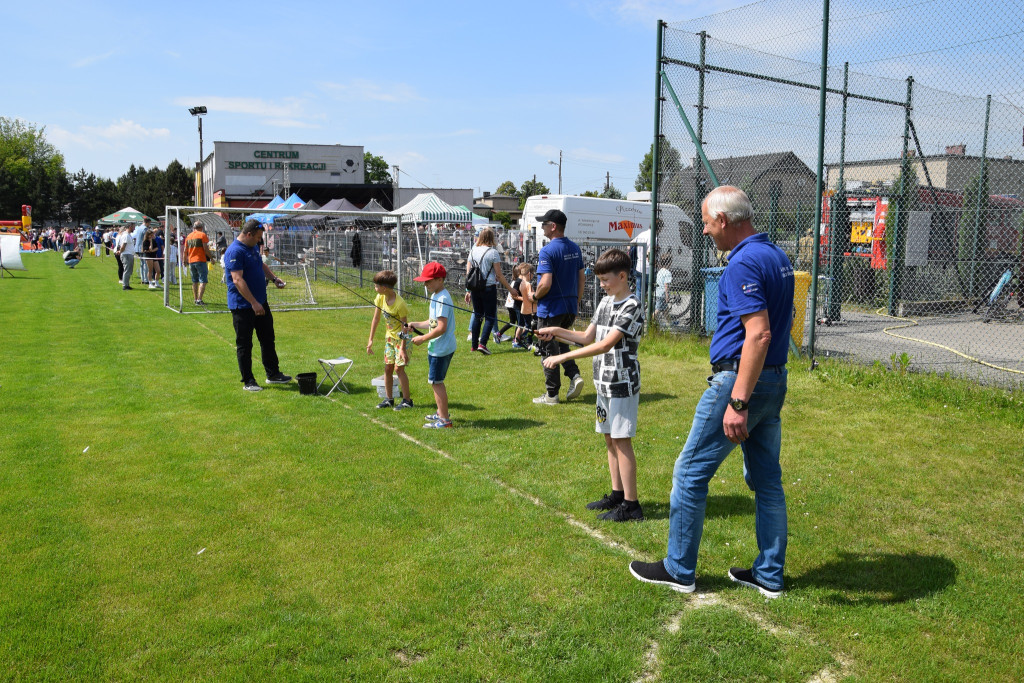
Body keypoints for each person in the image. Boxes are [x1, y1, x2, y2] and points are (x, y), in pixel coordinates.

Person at [629, 186, 795, 598]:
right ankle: (769, 574)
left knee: (689, 473)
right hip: (774, 379)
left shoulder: (743, 262)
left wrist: (738, 401)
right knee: (768, 481)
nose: (703, 232)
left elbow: (758, 334)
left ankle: (679, 569)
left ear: (722, 220)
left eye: (705, 223)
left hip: (741, 380)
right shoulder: (777, 256)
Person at [540, 248, 646, 522]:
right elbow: (587, 337)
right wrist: (556, 331)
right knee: (610, 439)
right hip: (603, 384)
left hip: (622, 384)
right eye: (599, 280)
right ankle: (617, 494)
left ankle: (632, 506)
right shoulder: (605, 303)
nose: (601, 285)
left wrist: (563, 355)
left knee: (622, 442)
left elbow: (605, 344)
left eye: (605, 280)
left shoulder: (632, 306)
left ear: (622, 276)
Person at [224, 220, 292, 392]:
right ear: (248, 234)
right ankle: (249, 380)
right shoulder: (235, 251)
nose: (259, 241)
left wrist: (274, 278)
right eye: (258, 238)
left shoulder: (252, 247)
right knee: (245, 344)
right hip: (243, 306)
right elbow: (237, 279)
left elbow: (260, 265)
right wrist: (253, 303)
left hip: (261, 302)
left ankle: (273, 374)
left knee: (268, 339)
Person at [531, 209, 585, 405]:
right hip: (570, 307)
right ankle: (575, 375)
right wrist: (576, 303)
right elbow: (581, 279)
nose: (542, 227)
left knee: (548, 350)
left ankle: (552, 395)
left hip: (550, 309)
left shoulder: (547, 250)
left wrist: (534, 296)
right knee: (562, 345)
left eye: (544, 224)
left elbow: (545, 283)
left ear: (553, 227)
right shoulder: (575, 248)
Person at [406, 262, 457, 429]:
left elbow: (441, 328)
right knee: (436, 381)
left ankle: (444, 420)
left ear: (440, 279)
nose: (425, 284)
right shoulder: (436, 295)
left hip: (441, 349)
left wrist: (423, 339)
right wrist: (416, 324)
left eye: (428, 281)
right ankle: (441, 411)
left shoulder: (442, 298)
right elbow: (433, 322)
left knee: (436, 382)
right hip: (438, 347)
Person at [464, 227, 518, 356]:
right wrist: (510, 289)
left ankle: (474, 346)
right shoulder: (493, 253)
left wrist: (468, 290)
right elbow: (499, 275)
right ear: (491, 238)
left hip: (475, 287)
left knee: (478, 315)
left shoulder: (473, 251)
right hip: (489, 287)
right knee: (489, 316)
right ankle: (483, 343)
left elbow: (468, 272)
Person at [366, 269, 413, 411]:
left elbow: (405, 327)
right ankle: (389, 399)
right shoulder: (380, 298)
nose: (375, 288)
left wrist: (403, 349)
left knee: (399, 369)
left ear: (384, 288)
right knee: (388, 368)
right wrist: (370, 340)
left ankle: (407, 400)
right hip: (389, 339)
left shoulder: (400, 304)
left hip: (402, 340)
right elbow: (376, 318)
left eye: (376, 286)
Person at [184, 220, 214, 305]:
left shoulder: (189, 236)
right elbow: (205, 248)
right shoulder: (202, 235)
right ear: (201, 227)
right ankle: (199, 300)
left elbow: (185, 250)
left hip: (191, 261)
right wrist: (211, 258)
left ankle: (195, 298)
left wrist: (184, 260)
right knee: (203, 280)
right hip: (200, 260)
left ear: (194, 227)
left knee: (194, 281)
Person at [515, 262, 537, 350]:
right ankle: (523, 338)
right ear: (529, 273)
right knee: (531, 326)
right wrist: (537, 298)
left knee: (528, 325)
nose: (533, 276)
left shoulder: (521, 283)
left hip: (524, 308)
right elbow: (530, 297)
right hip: (530, 309)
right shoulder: (528, 284)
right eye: (533, 274)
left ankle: (525, 339)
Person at [114, 224, 136, 290]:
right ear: (130, 227)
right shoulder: (126, 235)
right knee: (127, 270)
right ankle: (125, 285)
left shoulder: (128, 235)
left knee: (129, 270)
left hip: (129, 254)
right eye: (133, 227)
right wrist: (120, 251)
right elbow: (123, 246)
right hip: (126, 254)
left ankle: (126, 284)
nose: (134, 229)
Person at [133, 219, 151, 284]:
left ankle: (143, 278)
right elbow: (146, 238)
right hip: (142, 248)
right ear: (147, 222)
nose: (149, 225)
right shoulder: (145, 229)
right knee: (145, 264)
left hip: (137, 247)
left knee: (141, 263)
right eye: (149, 223)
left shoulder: (138, 228)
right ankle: (146, 279)